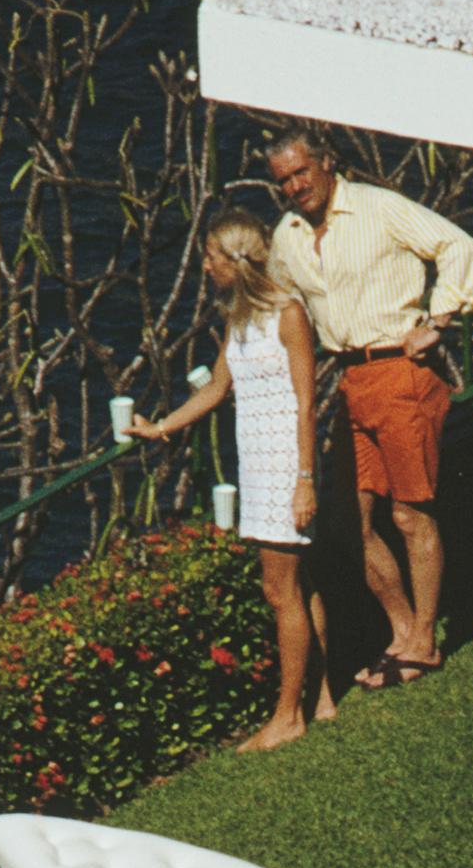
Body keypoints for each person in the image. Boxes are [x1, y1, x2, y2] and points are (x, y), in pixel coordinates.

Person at [263, 125, 473, 690]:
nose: (294, 187)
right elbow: (283, 305)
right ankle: (402, 630)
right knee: (346, 522)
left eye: (301, 173)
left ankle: (424, 643)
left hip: (402, 371)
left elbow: (457, 245)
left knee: (410, 515)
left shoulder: (378, 208)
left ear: (327, 163)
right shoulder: (286, 236)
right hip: (352, 381)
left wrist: (439, 319)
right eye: (283, 180)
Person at [131, 212, 329, 749]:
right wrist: (162, 427)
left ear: (233, 261)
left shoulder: (289, 313)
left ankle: (288, 717)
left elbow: (307, 404)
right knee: (297, 585)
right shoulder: (239, 318)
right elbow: (218, 387)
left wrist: (305, 480)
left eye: (210, 258)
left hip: (289, 465)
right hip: (260, 467)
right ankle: (323, 697)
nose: (205, 266)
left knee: (278, 589)